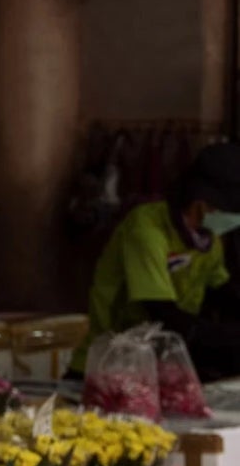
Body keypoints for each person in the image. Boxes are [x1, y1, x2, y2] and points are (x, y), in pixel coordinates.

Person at [85, 142, 240, 380]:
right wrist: (226, 338)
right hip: (112, 363)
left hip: (166, 364)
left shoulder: (209, 239)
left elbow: (219, 288)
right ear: (203, 200)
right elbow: (161, 313)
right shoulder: (146, 229)